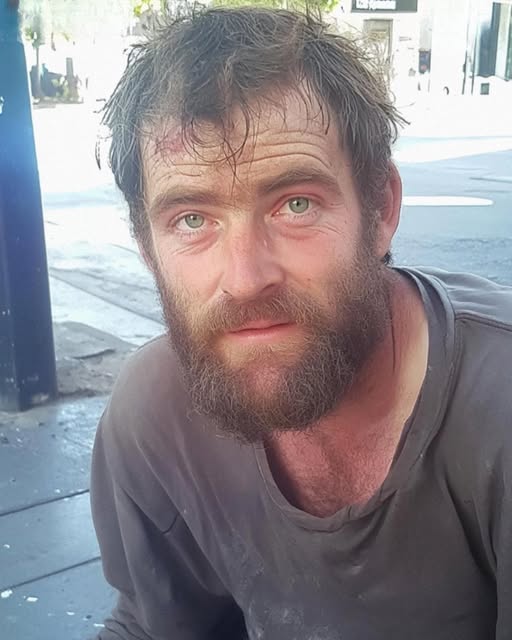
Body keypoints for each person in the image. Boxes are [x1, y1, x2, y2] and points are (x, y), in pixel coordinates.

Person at [91, 7, 512, 640]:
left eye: (295, 204)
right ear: (148, 247)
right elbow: (153, 625)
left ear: (380, 209)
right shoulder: (153, 412)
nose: (244, 278)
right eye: (192, 219)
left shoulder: (499, 410)